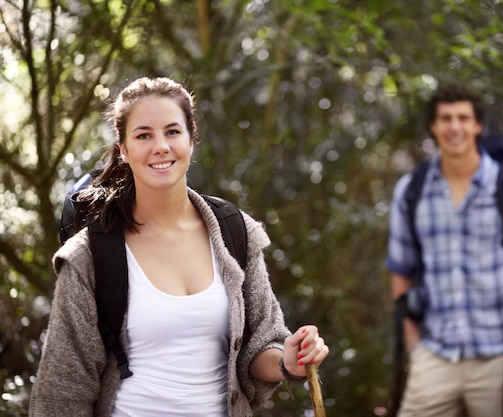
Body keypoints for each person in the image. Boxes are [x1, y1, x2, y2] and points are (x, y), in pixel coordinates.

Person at [29, 77, 329, 417]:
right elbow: (61, 393)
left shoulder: (235, 232)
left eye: (172, 132)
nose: (161, 146)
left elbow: (261, 347)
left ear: (191, 139)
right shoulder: (90, 257)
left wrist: (289, 361)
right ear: (124, 149)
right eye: (144, 135)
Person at [386, 82, 503, 417]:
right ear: (434, 127)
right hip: (435, 356)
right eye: (446, 118)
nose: (454, 127)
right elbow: (400, 272)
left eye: (463, 118)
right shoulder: (412, 190)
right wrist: (415, 348)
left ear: (477, 125)